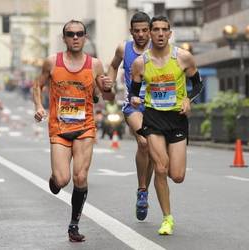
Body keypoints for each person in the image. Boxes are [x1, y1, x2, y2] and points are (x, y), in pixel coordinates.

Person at [33, 20, 113, 242]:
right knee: (63, 179)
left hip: (84, 126)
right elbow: (37, 85)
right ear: (64, 38)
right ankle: (55, 179)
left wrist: (107, 86)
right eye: (70, 34)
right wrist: (39, 106)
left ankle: (73, 225)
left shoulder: (95, 64)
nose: (75, 37)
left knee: (80, 176)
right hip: (59, 128)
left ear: (85, 37)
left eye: (79, 34)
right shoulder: (52, 62)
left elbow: (102, 93)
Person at [130, 15, 203, 235]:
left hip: (176, 119)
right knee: (160, 168)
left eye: (164, 30)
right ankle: (167, 218)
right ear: (150, 34)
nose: (160, 34)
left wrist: (187, 99)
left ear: (170, 33)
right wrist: (135, 99)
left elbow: (197, 84)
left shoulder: (183, 58)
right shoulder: (140, 63)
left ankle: (167, 169)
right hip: (153, 118)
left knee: (177, 175)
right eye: (156, 30)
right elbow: (134, 92)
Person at [107, 11, 153, 221]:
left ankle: (144, 189)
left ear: (150, 31)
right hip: (132, 106)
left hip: (156, 106)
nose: (141, 34)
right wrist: (109, 84)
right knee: (144, 142)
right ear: (131, 31)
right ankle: (142, 191)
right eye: (137, 31)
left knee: (153, 149)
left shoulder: (159, 48)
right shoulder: (123, 48)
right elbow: (113, 66)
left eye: (145, 30)